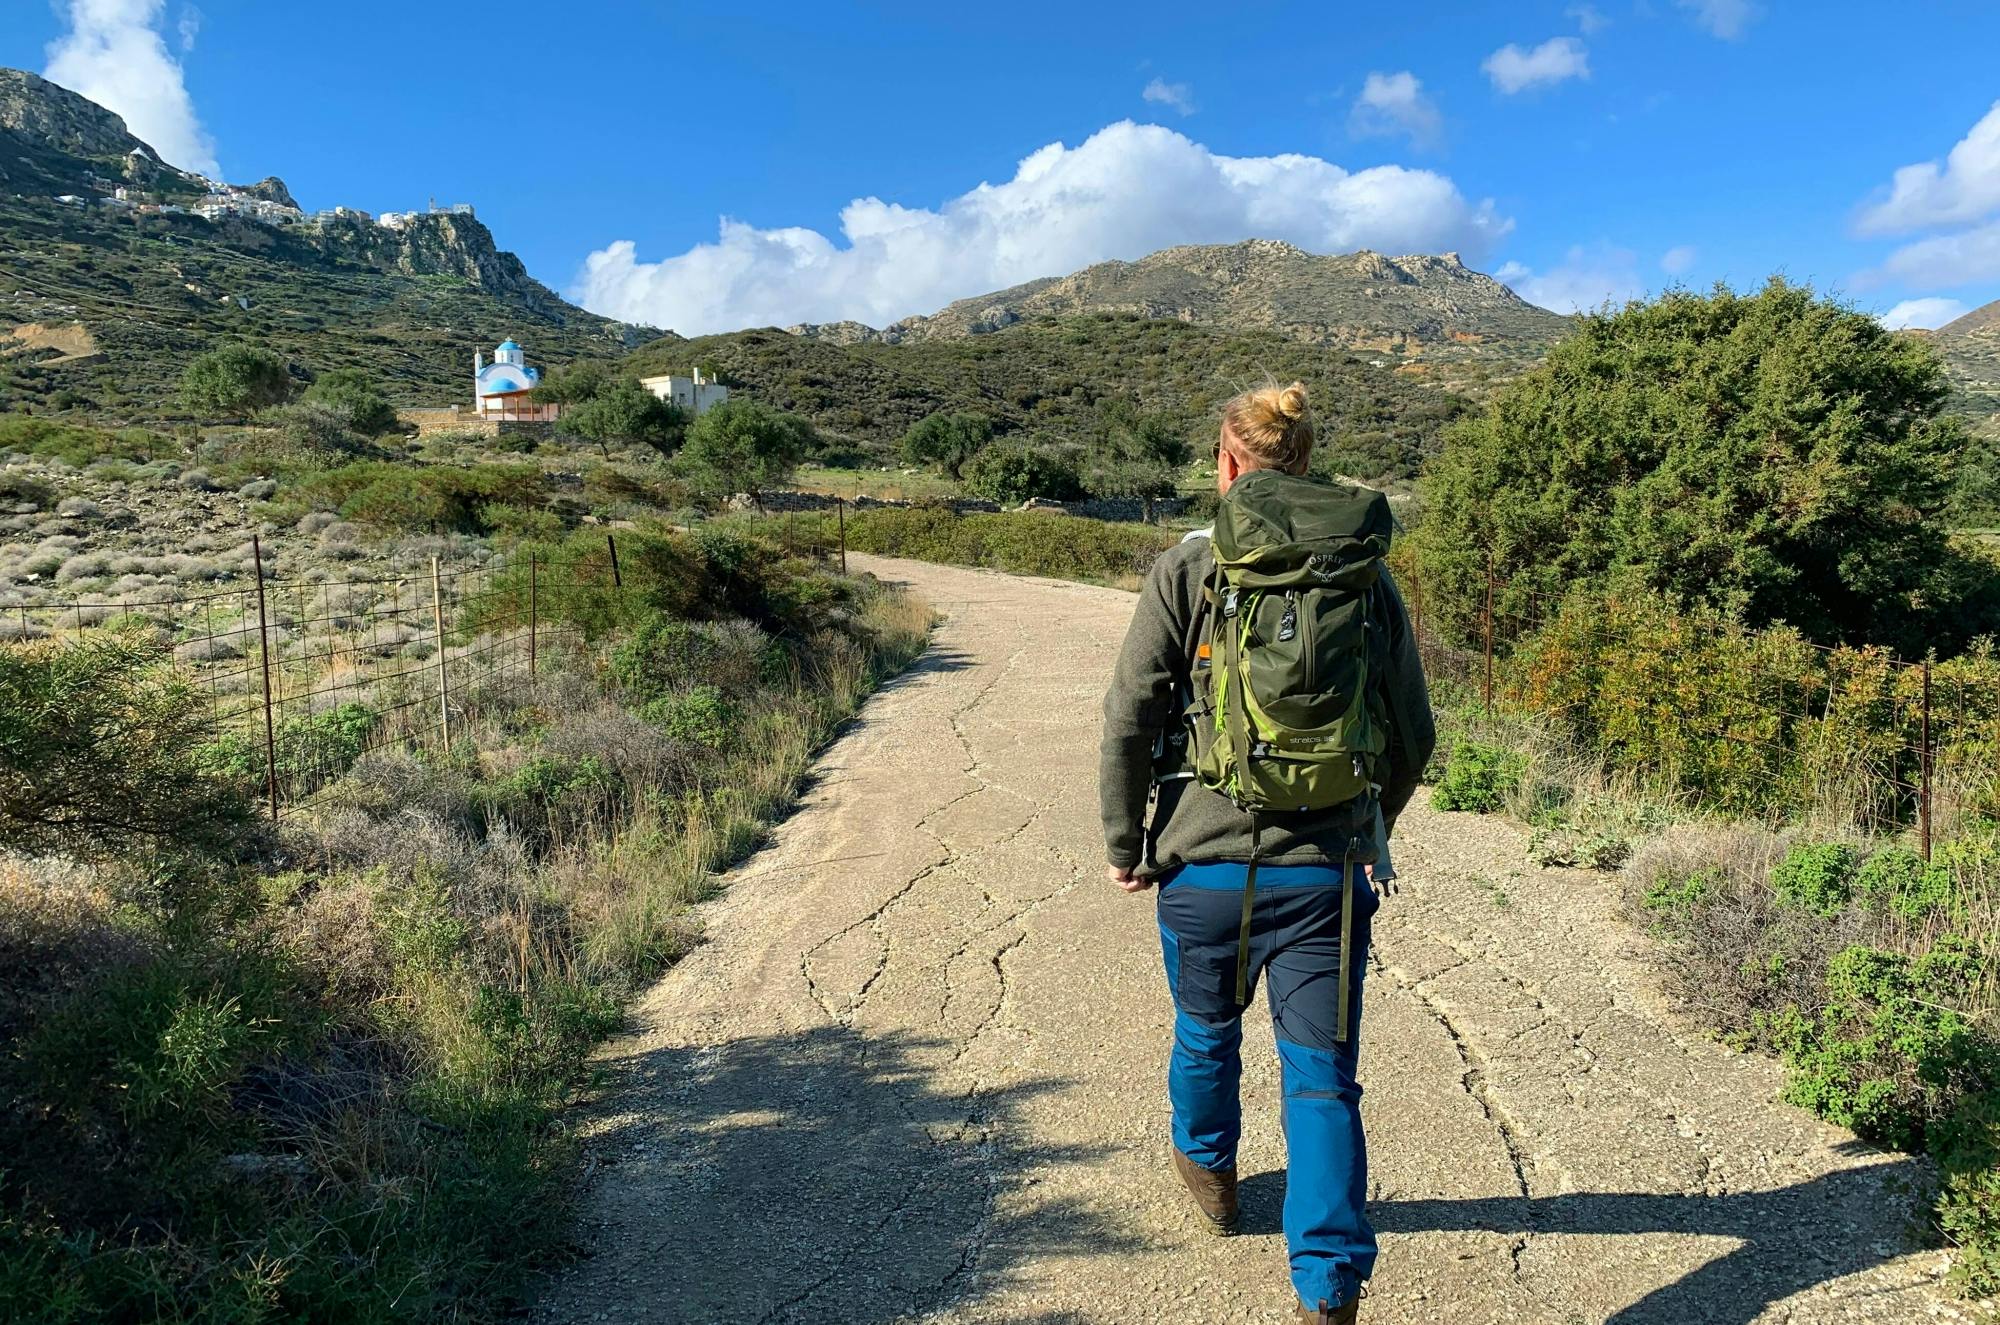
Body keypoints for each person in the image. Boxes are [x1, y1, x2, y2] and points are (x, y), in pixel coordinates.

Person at [1098, 381, 1435, 1324]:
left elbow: (1130, 717)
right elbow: (1414, 735)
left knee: (1205, 1031)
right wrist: (1371, 830)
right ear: (1305, 460)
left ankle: (1210, 1175)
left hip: (1200, 870)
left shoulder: (1187, 570)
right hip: (1325, 876)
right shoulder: (1364, 576)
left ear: (1230, 463)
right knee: (1321, 1074)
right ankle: (1327, 1285)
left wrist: (1128, 841)